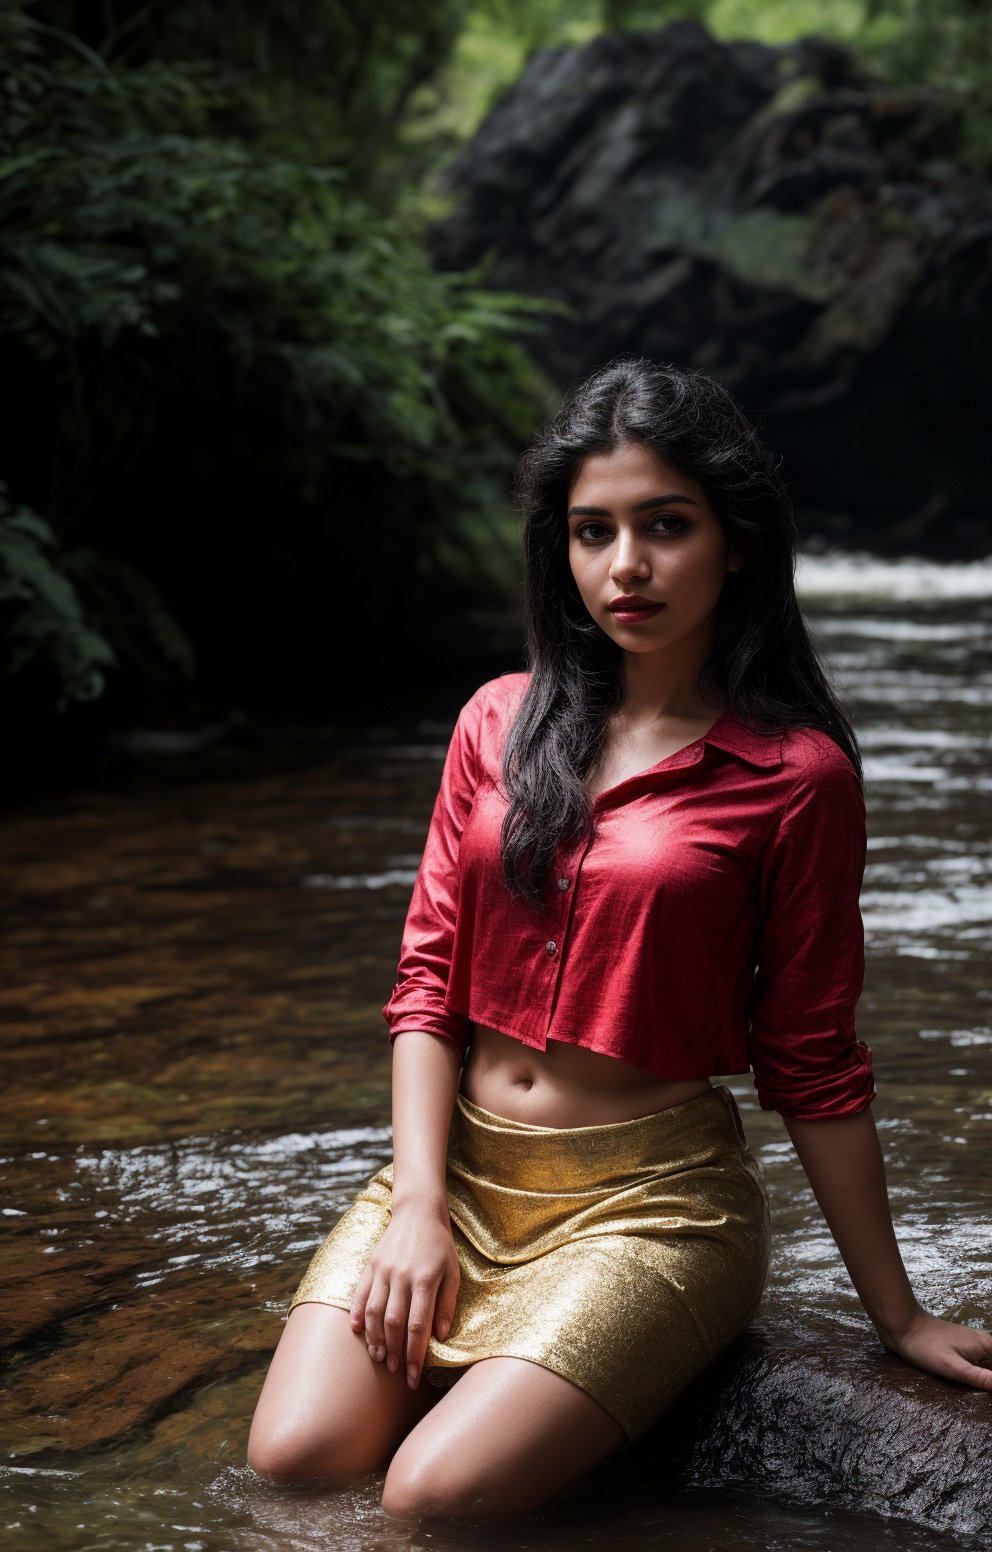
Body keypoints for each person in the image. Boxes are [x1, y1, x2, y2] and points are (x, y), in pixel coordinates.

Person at [247, 357, 992, 1519]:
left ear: (733, 541)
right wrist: (415, 1205)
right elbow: (427, 984)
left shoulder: (796, 777)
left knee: (427, 1501)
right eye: (591, 532)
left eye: (664, 526)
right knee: (292, 1465)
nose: (624, 566)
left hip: (647, 1206)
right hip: (461, 1175)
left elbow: (812, 1057)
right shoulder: (497, 720)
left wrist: (891, 1315)